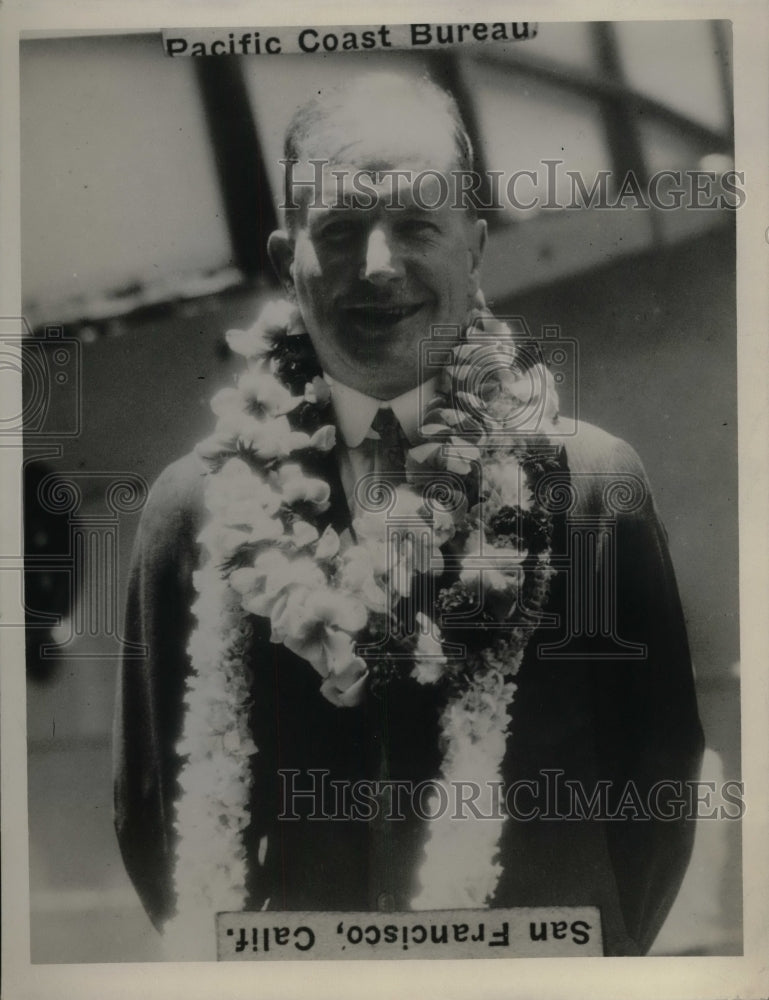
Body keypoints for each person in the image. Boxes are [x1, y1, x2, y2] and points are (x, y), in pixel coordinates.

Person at [113, 72, 704, 959]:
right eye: (341, 228)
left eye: (417, 224)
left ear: (474, 245)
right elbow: (153, 806)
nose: (377, 265)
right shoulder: (192, 508)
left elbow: (654, 798)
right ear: (287, 257)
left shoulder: (586, 487)